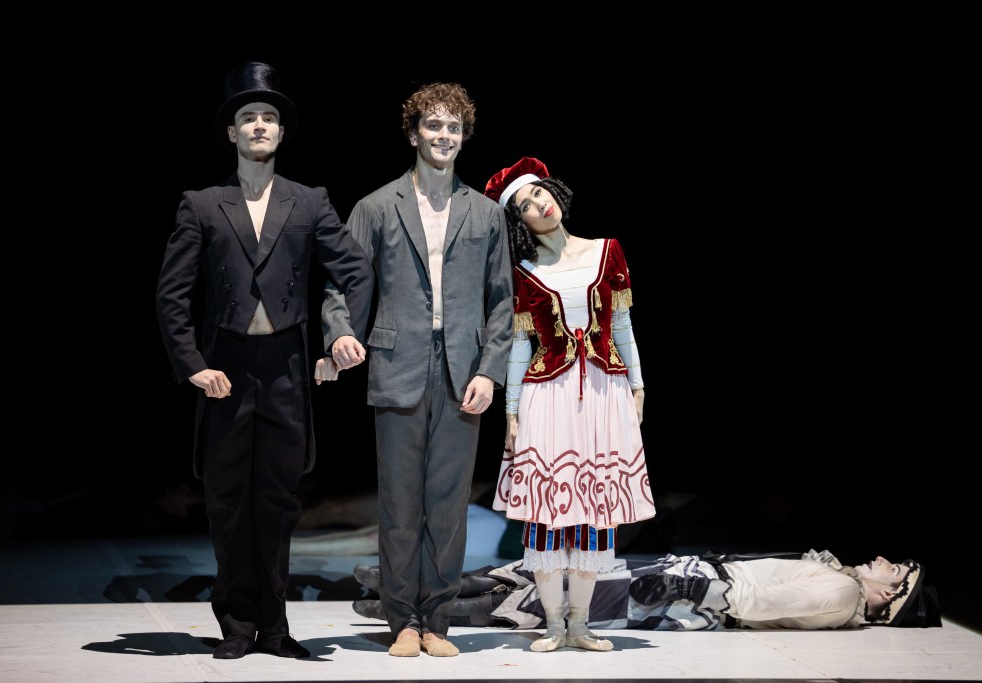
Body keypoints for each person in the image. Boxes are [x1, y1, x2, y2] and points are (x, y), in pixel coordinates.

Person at [155, 61, 374, 660]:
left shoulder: (309, 201)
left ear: (280, 131)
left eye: (269, 117)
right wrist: (192, 363)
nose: (259, 125)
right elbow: (172, 293)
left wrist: (339, 340)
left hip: (285, 367)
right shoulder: (203, 204)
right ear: (232, 132)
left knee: (279, 501)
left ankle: (275, 627)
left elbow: (355, 270)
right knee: (227, 500)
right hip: (225, 366)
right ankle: (236, 624)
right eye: (248, 117)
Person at [319, 82, 513, 657]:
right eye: (434, 125)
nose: (443, 136)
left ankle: (438, 621)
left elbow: (502, 300)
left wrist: (490, 371)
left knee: (448, 505)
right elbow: (342, 281)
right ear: (413, 134)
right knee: (400, 503)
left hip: (463, 369)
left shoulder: (486, 213)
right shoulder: (377, 206)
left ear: (464, 136)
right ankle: (401, 618)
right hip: (397, 361)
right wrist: (341, 332)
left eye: (453, 127)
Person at [480, 157, 657, 653]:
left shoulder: (607, 251)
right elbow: (520, 346)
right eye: (526, 204)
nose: (539, 205)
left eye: (540, 193)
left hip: (605, 392)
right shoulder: (524, 273)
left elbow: (621, 325)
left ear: (554, 191)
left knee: (595, 508)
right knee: (547, 510)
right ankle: (553, 624)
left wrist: (638, 385)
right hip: (548, 396)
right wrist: (511, 411)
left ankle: (580, 623)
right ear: (519, 221)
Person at [350, 549, 942, 632]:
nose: (883, 560)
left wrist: (685, 586)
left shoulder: (842, 595)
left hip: (688, 592)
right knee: (542, 575)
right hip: (685, 578)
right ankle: (401, 590)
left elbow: (758, 601)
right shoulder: (840, 581)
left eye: (894, 570)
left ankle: (401, 605)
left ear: (891, 597)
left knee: (553, 599)